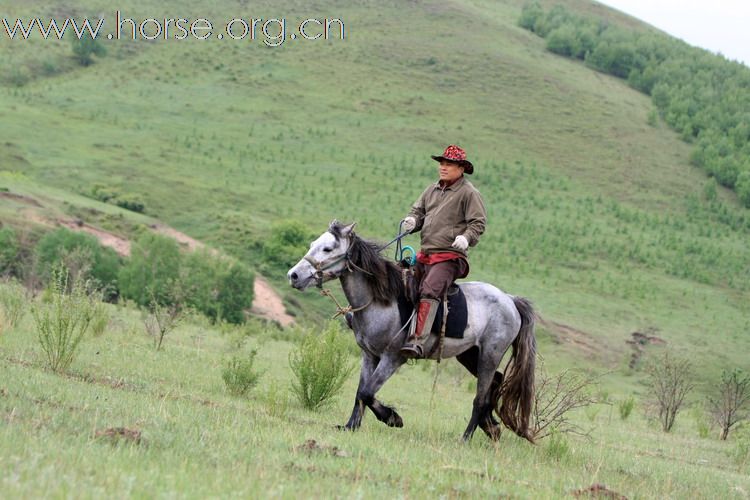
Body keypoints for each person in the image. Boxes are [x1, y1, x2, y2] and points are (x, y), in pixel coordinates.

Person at [399, 145, 487, 358]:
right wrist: (413, 221)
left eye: (449, 164)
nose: (443, 167)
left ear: (461, 168)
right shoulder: (432, 189)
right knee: (398, 276)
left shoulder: (469, 193)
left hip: (450, 257)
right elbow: (418, 211)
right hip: (426, 254)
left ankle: (417, 341)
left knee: (430, 289)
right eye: (442, 163)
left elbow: (478, 223)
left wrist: (465, 238)